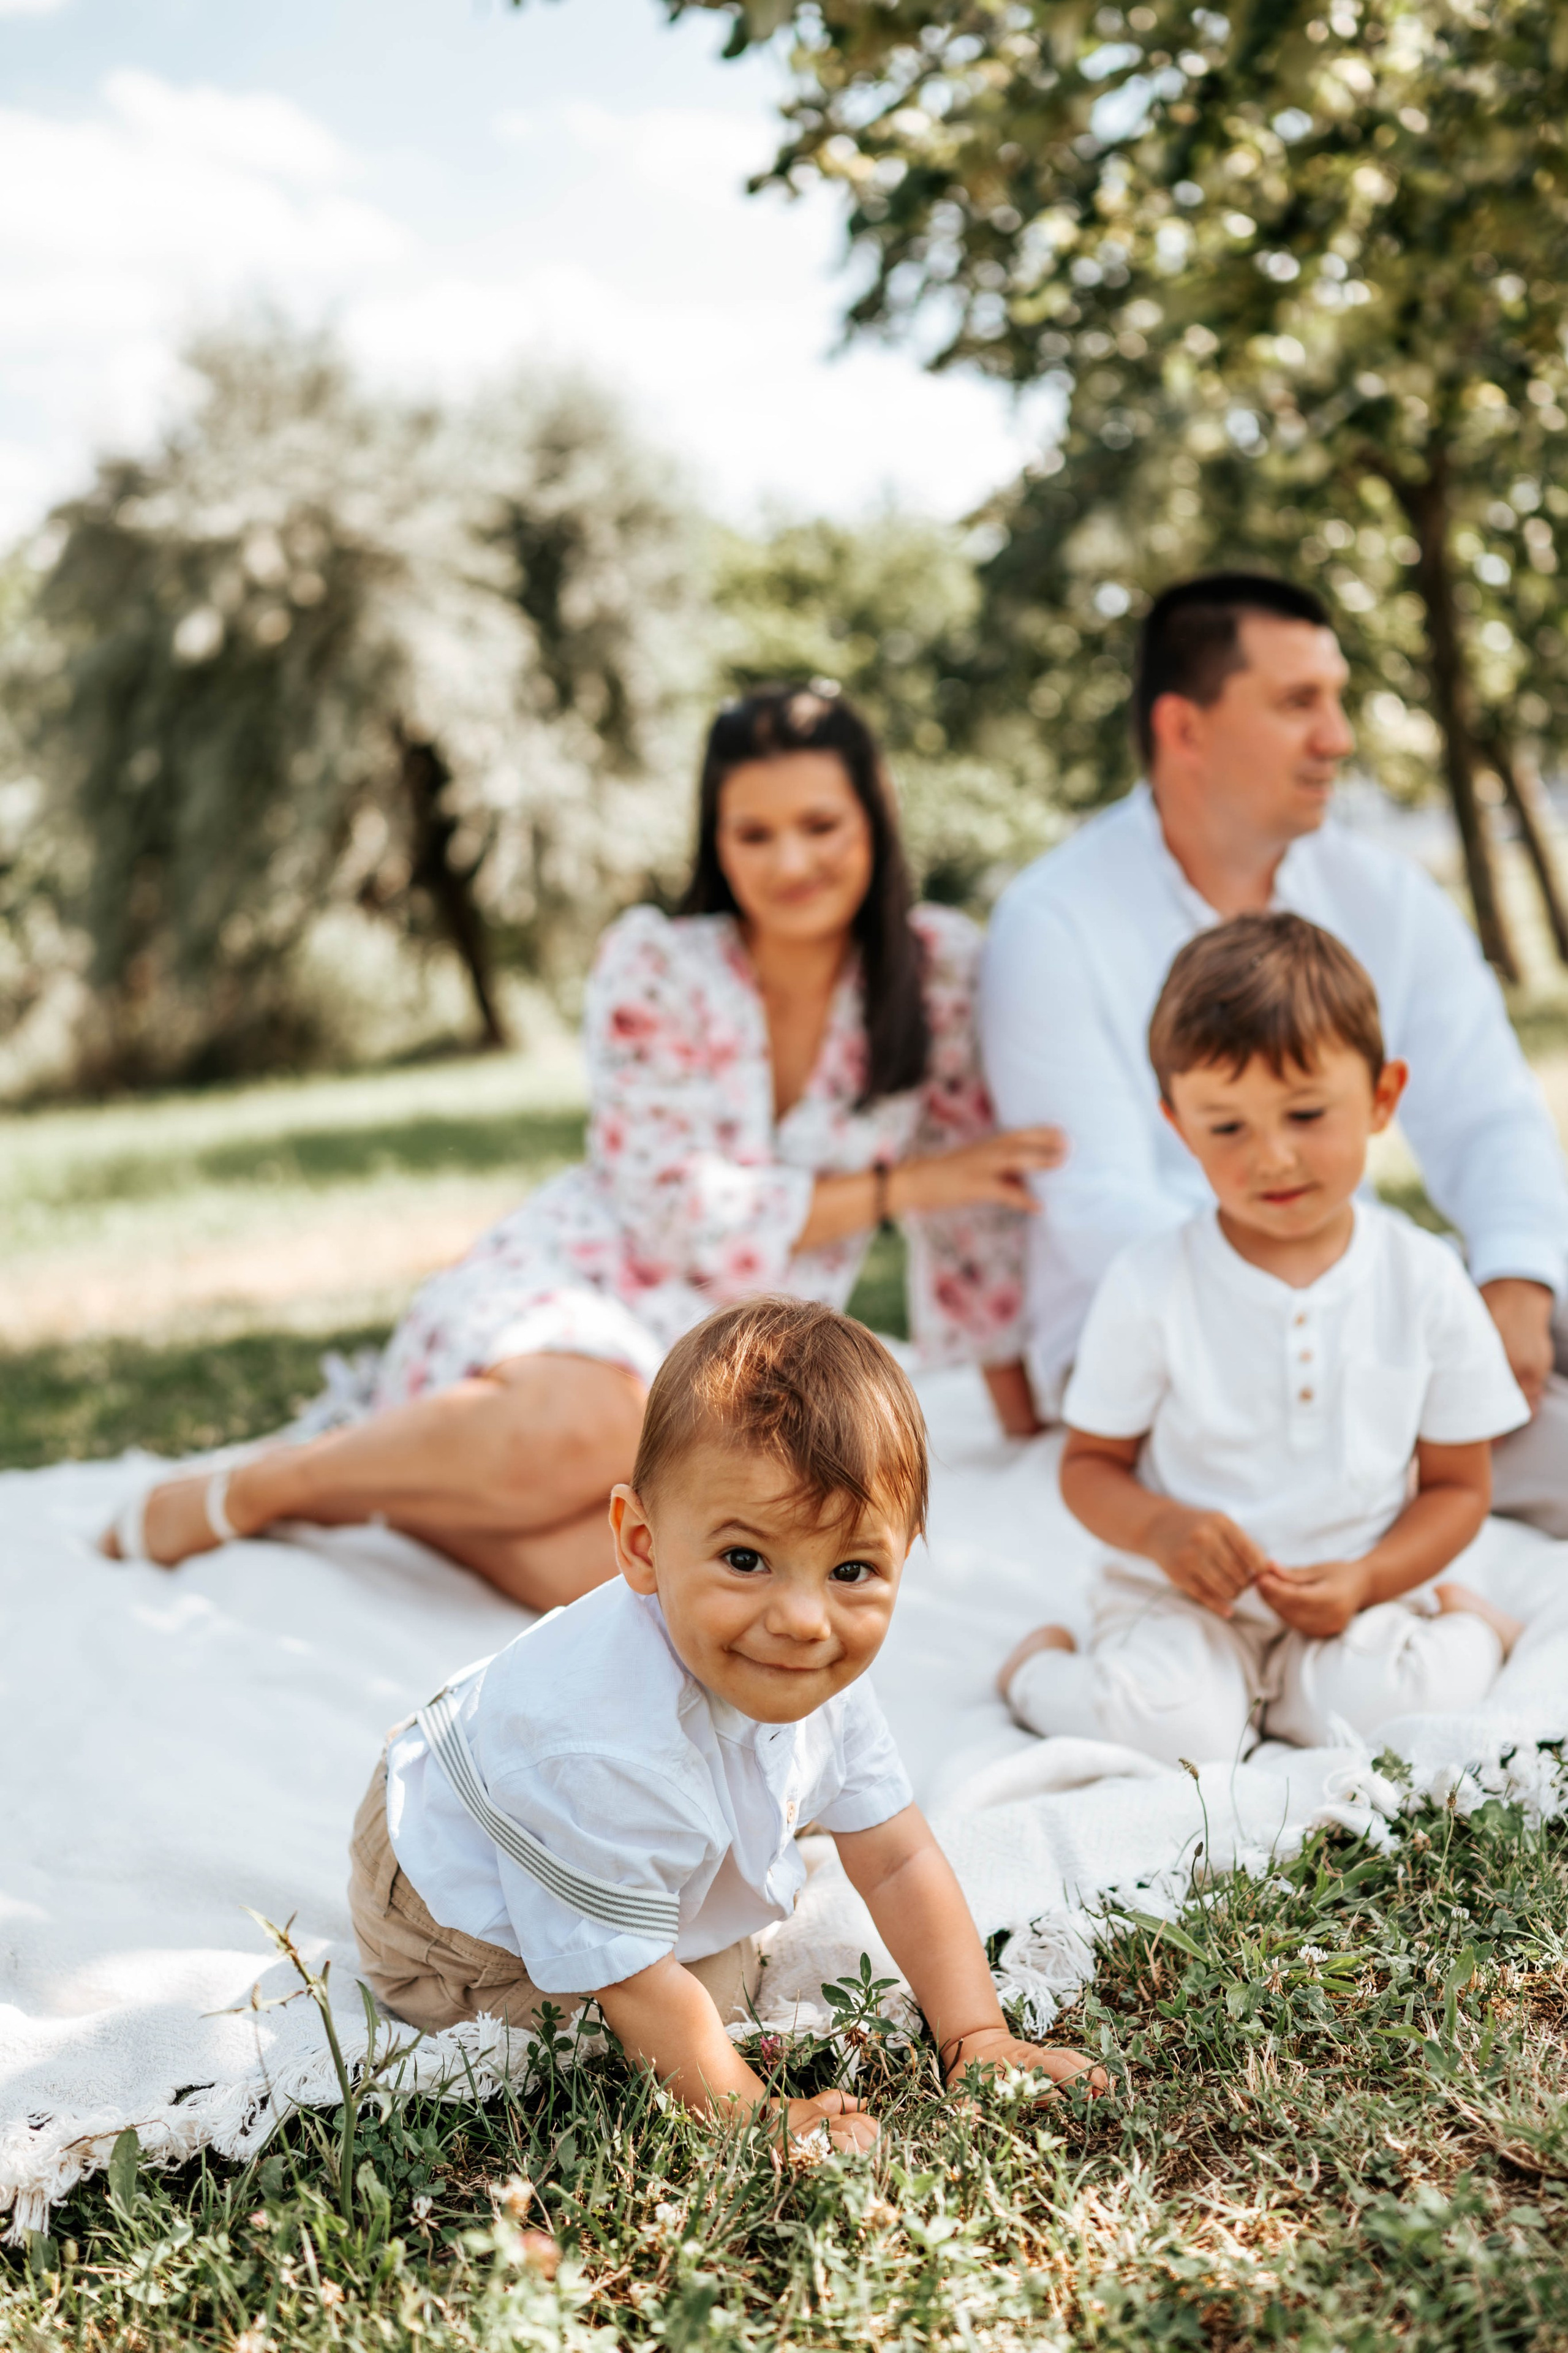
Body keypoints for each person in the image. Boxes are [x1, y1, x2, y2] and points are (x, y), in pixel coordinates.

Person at [105, 686, 1061, 1603]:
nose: (790, 862)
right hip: (573, 1288)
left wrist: (1019, 1423)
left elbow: (975, 1194)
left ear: (876, 819)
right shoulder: (655, 963)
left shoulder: (935, 970)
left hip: (744, 1367)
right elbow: (675, 1209)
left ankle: (419, 1497)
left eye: (821, 826)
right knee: (609, 1424)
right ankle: (274, 1485)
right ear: (716, 843)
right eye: (754, 833)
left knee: (671, 1573)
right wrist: (902, 1186)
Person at [352, 1297, 1102, 2147]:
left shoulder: (813, 1668)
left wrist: (979, 2036)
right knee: (667, 2014)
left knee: (720, 1948)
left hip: (567, 1796)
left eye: (852, 1568)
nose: (804, 1619)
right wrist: (753, 2116)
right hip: (447, 1909)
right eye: (746, 1560)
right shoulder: (604, 1748)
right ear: (640, 1544)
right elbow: (634, 1980)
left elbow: (898, 1856)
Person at [981, 573, 1568, 1536]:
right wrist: (1356, 1316)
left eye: (1335, 700)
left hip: (1365, 1282)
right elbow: (1098, 1212)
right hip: (1165, 1349)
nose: (1339, 735)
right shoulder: (1053, 924)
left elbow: (1489, 1111)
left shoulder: (1382, 893)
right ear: (1186, 729)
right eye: (1300, 703)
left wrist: (1513, 1278)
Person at [997, 915, 1530, 1767]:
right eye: (1228, 1128)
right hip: (1183, 1596)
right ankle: (1036, 1669)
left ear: (1383, 1097)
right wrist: (1164, 1529)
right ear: (1178, 1126)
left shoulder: (1423, 1277)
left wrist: (1371, 1579)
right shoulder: (1151, 1282)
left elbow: (1461, 1487)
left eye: (1308, 1112)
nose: (1273, 1156)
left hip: (1357, 1592)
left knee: (1396, 1709)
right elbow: (1088, 1464)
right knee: (1176, 1734)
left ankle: (1463, 1621)